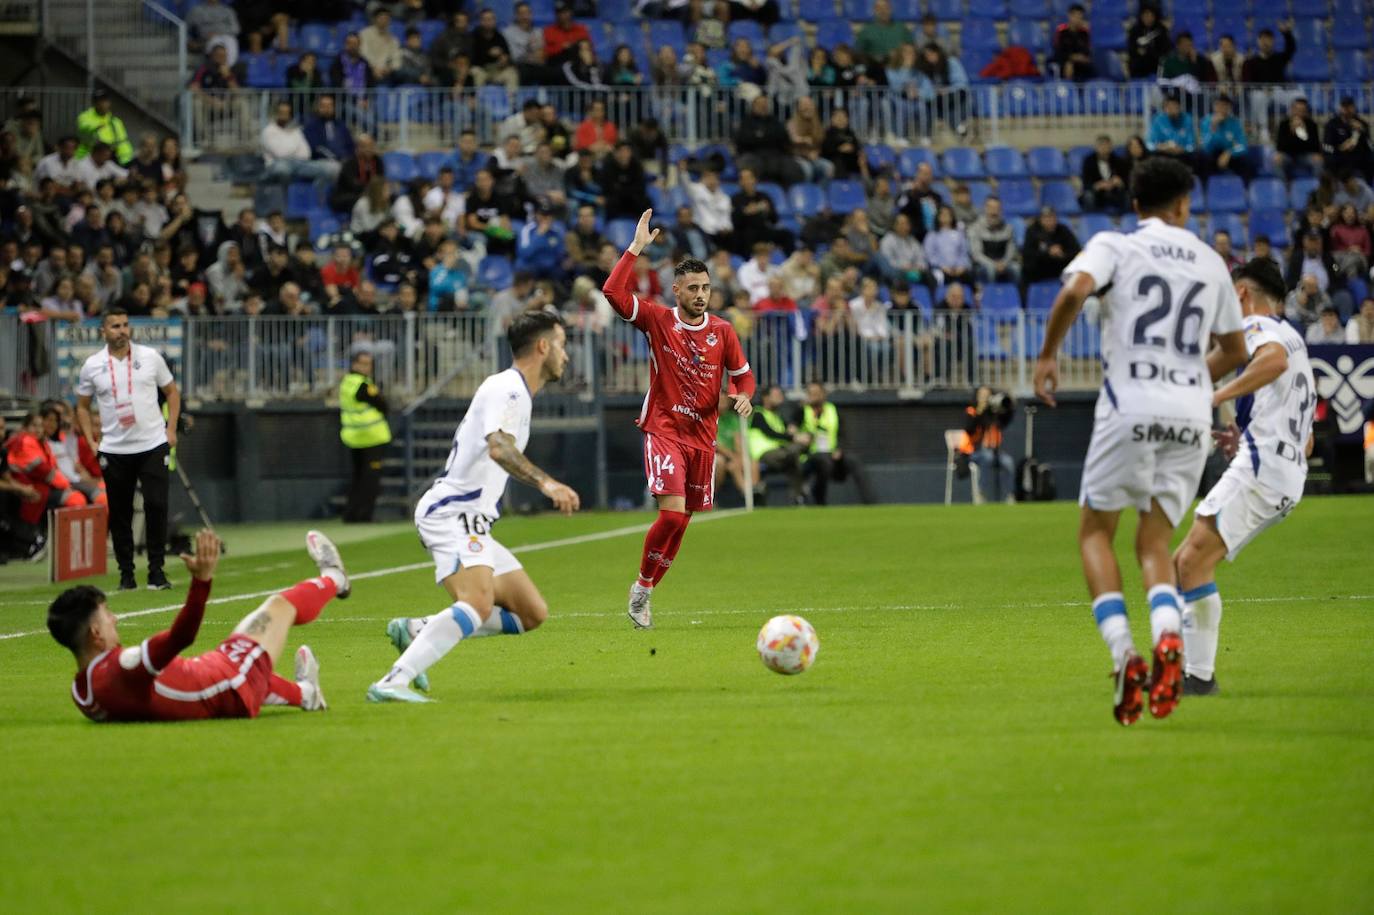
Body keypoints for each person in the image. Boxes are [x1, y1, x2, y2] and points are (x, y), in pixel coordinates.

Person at [1033, 156, 1248, 726]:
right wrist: (1188, 378)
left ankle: (1126, 653)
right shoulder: (1210, 261)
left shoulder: (1115, 245)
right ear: (1184, 206)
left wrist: (1049, 354)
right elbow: (1236, 352)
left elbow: (1073, 291)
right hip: (1188, 414)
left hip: (1129, 403)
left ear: (1135, 206)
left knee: (1095, 533)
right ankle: (1169, 638)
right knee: (1155, 545)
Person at [368, 311, 581, 703]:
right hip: (453, 513)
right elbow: (499, 447)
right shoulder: (508, 389)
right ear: (543, 346)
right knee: (478, 603)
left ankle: (417, 630)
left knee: (531, 613)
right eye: (563, 345)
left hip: (473, 521)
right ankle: (392, 682)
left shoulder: (516, 393)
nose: (567, 355)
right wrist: (547, 483)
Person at [602, 209, 755, 629]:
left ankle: (645, 590)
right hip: (664, 428)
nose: (701, 294)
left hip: (702, 438)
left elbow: (743, 377)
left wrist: (744, 398)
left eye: (705, 287)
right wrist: (635, 249)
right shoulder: (657, 320)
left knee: (682, 523)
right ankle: (640, 587)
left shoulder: (723, 331)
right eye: (693, 288)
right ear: (677, 291)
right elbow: (613, 293)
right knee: (670, 515)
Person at [1172, 258, 1315, 696]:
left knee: (1191, 561)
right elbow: (1306, 440)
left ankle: (1197, 677)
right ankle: (1189, 672)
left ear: (1240, 295)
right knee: (1187, 561)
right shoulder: (1294, 338)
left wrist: (1215, 394)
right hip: (1283, 471)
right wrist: (1247, 435)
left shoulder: (1258, 329)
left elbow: (1269, 362)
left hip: (1265, 468)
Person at [51, 529, 344, 722]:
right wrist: (201, 581)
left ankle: (308, 694)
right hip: (230, 683)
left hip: (217, 681)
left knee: (245, 661)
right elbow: (182, 636)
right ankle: (336, 578)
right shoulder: (124, 667)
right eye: (106, 615)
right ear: (96, 634)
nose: (114, 619)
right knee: (279, 606)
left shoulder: (83, 694)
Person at [75, 308, 182, 592]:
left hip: (152, 443)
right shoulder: (92, 365)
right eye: (115, 326)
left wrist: (171, 429)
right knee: (120, 512)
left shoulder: (150, 357)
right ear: (103, 332)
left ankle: (157, 572)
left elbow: (172, 392)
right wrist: (91, 440)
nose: (121, 330)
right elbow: (82, 407)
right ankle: (126, 575)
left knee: (156, 505)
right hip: (114, 449)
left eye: (125, 325)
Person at [339, 350, 391, 524]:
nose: (367, 367)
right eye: (364, 363)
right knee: (370, 481)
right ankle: (364, 515)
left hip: (354, 437)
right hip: (371, 437)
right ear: (354, 364)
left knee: (357, 478)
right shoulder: (362, 385)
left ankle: (350, 514)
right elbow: (382, 404)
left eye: (369, 364)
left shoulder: (347, 382)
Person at [801, 382, 872, 505]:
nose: (814, 396)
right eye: (811, 394)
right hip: (810, 455)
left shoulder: (832, 410)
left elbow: (842, 434)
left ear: (823, 394)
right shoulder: (801, 411)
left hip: (832, 453)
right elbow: (792, 429)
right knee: (823, 462)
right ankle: (819, 499)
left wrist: (839, 449)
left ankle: (870, 502)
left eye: (817, 393)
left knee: (853, 461)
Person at [748, 383, 807, 505]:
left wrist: (793, 431)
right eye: (777, 395)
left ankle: (798, 496)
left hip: (779, 452)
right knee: (793, 453)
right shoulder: (758, 414)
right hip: (763, 453)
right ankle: (800, 492)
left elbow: (787, 430)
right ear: (766, 397)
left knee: (793, 458)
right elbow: (771, 433)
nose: (781, 398)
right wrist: (794, 437)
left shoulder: (777, 415)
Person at [958, 386, 1015, 504]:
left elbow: (1004, 422)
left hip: (994, 452)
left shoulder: (992, 412)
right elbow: (969, 429)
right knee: (987, 457)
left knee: (1008, 462)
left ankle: (1009, 495)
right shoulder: (972, 410)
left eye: (986, 395)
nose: (984, 398)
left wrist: (1010, 407)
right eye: (981, 395)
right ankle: (980, 493)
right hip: (973, 452)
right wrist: (980, 411)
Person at [1022, 207, 1081, 285]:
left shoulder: (1063, 230)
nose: (1049, 221)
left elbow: (1076, 250)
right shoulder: (1032, 231)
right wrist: (1048, 252)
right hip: (1039, 271)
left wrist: (1062, 254)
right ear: (1040, 219)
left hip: (1060, 268)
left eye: (1052, 217)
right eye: (1046, 218)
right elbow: (1028, 254)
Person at [968, 197, 1020, 284]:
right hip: (984, 264)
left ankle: (1017, 295)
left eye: (997, 208)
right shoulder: (975, 228)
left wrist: (1004, 263)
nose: (994, 212)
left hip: (1004, 263)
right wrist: (993, 264)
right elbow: (976, 254)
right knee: (991, 270)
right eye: (990, 208)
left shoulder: (1008, 228)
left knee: (1016, 268)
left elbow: (1011, 250)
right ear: (985, 209)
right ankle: (991, 295)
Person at [75, 88, 133, 165]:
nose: (103, 104)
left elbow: (122, 142)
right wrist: (96, 127)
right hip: (88, 159)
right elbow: (85, 131)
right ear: (94, 103)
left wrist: (126, 161)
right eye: (100, 101)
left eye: (105, 101)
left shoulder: (115, 121)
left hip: (109, 159)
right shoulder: (84, 117)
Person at [1199, 95, 1251, 180]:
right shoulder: (1206, 121)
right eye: (1218, 105)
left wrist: (1229, 153)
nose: (1221, 108)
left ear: (1229, 108)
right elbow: (1206, 147)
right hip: (1213, 154)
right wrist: (1213, 127)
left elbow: (1243, 146)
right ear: (1214, 107)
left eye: (1224, 105)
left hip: (1230, 154)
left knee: (1245, 160)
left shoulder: (1235, 123)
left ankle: (1245, 190)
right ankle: (1206, 190)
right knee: (1202, 158)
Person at [1080, 134, 1129, 213]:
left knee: (1128, 195)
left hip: (1115, 192)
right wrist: (1097, 185)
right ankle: (1092, 220)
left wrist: (1120, 183)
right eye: (1101, 145)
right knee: (1088, 196)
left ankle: (1126, 219)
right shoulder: (1088, 161)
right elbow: (1085, 182)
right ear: (1096, 147)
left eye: (1106, 145)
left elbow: (1126, 180)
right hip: (1098, 194)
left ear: (1111, 147)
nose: (1104, 148)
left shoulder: (1118, 161)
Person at [1053, 4, 1095, 82]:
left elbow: (1087, 52)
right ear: (1069, 16)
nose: (1078, 19)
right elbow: (1058, 51)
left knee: (1092, 68)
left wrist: (1082, 58)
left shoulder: (1084, 33)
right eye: (1075, 16)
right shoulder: (1061, 31)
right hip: (1064, 61)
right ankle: (1068, 89)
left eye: (1080, 17)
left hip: (1081, 63)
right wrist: (1072, 57)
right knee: (1068, 65)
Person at [1126, 5, 1170, 79]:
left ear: (1155, 16)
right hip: (1139, 66)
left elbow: (1165, 50)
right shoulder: (1135, 30)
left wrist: (1150, 50)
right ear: (1141, 16)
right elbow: (1131, 49)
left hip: (1155, 64)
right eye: (1146, 15)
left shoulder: (1161, 30)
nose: (1148, 18)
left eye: (1151, 15)